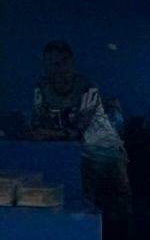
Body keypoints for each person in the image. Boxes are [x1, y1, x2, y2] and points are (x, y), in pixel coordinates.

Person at [26, 39, 130, 217]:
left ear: (71, 64)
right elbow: (38, 121)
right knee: (83, 208)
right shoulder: (41, 87)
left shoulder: (87, 87)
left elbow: (77, 131)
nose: (55, 69)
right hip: (75, 157)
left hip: (106, 155)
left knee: (118, 211)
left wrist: (46, 133)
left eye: (61, 63)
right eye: (50, 63)